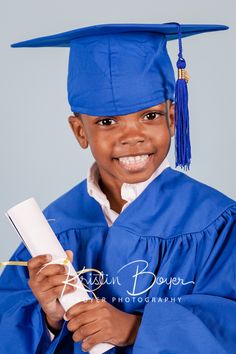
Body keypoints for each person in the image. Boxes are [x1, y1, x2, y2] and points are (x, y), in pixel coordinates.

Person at [0, 23, 235, 354]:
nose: (132, 136)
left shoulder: (216, 223)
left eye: (150, 115)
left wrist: (137, 329)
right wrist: (49, 318)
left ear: (173, 116)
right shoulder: (54, 229)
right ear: (79, 132)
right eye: (107, 122)